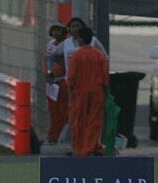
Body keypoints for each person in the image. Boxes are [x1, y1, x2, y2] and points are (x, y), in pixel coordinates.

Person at [67, 27, 109, 157]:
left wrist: (71, 92)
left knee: (79, 121)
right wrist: (105, 92)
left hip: (80, 92)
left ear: (80, 39)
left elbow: (71, 77)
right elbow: (105, 77)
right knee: (94, 121)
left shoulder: (76, 55)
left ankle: (80, 148)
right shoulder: (99, 55)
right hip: (97, 91)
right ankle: (91, 146)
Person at [44, 22, 69, 145]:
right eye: (54, 30)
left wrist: (54, 73)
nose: (56, 33)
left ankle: (62, 137)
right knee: (53, 112)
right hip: (51, 83)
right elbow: (46, 60)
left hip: (62, 81)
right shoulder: (50, 44)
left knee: (63, 111)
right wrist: (47, 74)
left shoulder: (67, 45)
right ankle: (53, 137)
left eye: (59, 30)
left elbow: (65, 63)